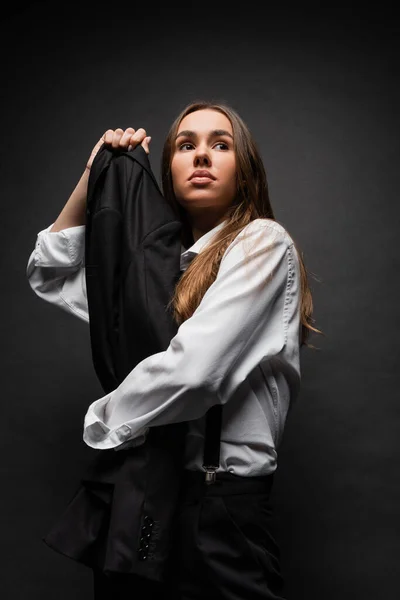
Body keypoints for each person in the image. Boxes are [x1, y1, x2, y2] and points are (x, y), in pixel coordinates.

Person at [26, 100, 322, 599]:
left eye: (220, 145)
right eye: (187, 146)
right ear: (170, 169)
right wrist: (93, 171)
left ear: (244, 171)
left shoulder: (262, 243)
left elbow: (195, 373)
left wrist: (104, 420)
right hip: (152, 498)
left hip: (220, 506)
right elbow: (50, 272)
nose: (201, 156)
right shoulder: (158, 269)